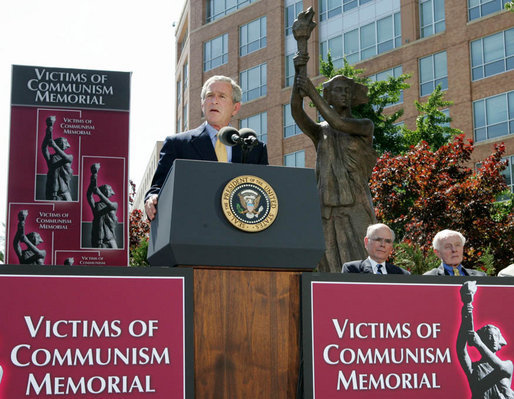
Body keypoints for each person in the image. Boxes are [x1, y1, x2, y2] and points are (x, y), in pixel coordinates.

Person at [291, 56, 377, 273]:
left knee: (362, 257)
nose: (344, 94)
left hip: (356, 202)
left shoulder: (364, 126)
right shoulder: (321, 131)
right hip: (326, 205)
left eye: (347, 91)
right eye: (339, 90)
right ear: (329, 96)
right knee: (327, 261)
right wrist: (298, 70)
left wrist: (310, 91)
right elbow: (297, 112)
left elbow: (337, 122)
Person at [144, 75, 268, 221]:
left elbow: (264, 191)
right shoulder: (177, 144)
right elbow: (158, 187)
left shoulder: (253, 148)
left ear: (235, 108)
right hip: (194, 225)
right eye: (209, 96)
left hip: (241, 230)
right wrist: (152, 198)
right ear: (202, 104)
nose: (214, 101)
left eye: (222, 96)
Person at [457, 281, 514, 398]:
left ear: (500, 341)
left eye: (495, 336)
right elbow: (461, 350)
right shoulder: (474, 368)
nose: (493, 339)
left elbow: (501, 368)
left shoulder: (507, 365)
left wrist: (479, 344)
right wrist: (465, 317)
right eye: (489, 336)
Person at [341, 223, 410, 274]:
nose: (383, 245)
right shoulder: (352, 270)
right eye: (378, 240)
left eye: (387, 241)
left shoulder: (403, 274)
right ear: (366, 242)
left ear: (391, 246)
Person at [42, 115, 74, 201]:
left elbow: (66, 159)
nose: (65, 144)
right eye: (63, 142)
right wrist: (49, 129)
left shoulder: (69, 157)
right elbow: (44, 148)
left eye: (64, 142)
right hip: (53, 194)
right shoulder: (51, 158)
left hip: (65, 193)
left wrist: (54, 146)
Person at [87, 163, 118, 248]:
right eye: (107, 189)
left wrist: (99, 193)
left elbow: (111, 206)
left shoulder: (114, 205)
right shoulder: (96, 206)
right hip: (98, 241)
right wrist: (94, 174)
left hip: (110, 239)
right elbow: (89, 195)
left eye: (108, 189)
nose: (108, 191)